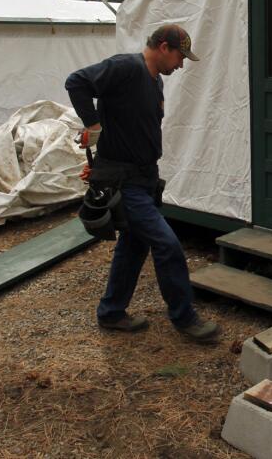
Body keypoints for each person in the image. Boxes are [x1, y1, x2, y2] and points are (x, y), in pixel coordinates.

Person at [64, 24, 220, 343]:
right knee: (167, 244)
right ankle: (184, 318)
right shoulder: (126, 67)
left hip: (144, 177)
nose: (181, 64)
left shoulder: (155, 81)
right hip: (125, 182)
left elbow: (130, 128)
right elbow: (76, 81)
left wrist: (104, 155)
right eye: (179, 57)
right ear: (163, 47)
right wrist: (93, 125)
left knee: (134, 246)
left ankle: (111, 312)